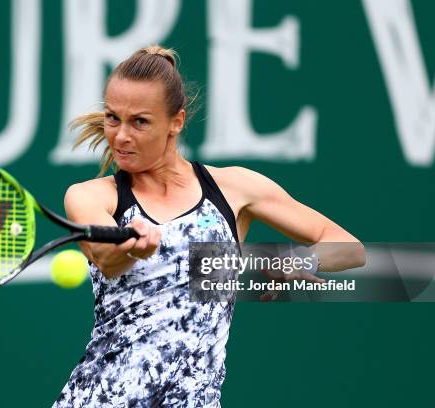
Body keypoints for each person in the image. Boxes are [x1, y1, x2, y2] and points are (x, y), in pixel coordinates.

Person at [53, 45, 365, 407]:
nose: (121, 136)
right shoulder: (91, 196)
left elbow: (349, 247)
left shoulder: (235, 188)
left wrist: (297, 262)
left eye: (139, 121)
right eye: (112, 118)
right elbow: (106, 258)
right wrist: (132, 249)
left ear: (176, 121)